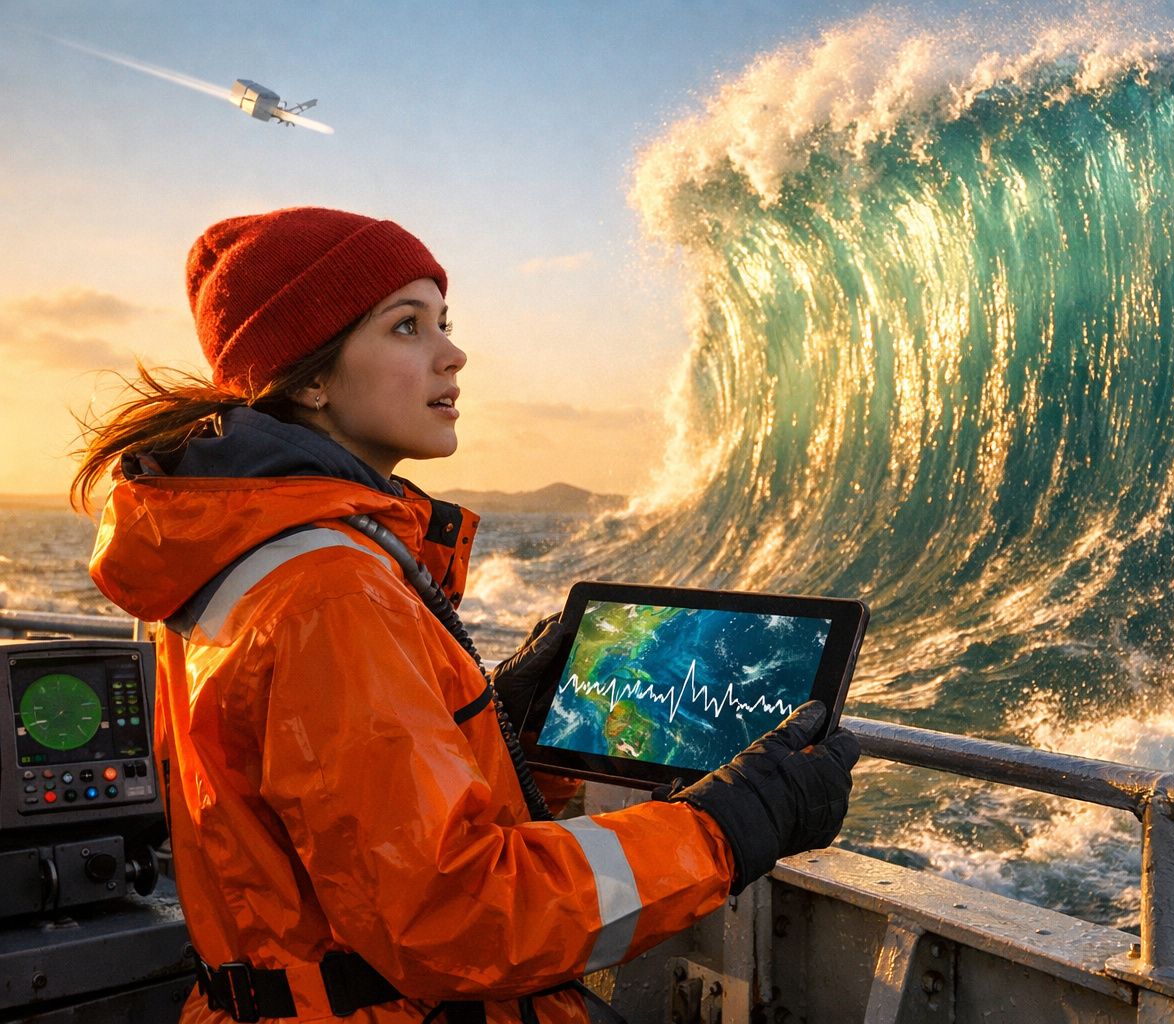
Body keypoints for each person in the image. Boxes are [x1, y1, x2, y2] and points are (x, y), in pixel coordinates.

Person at [73, 207, 860, 1024]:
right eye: (406, 327)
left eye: (443, 322)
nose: (453, 353)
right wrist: (728, 826)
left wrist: (496, 730)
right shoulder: (333, 594)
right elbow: (454, 918)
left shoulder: (251, 551)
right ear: (309, 378)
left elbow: (330, 822)